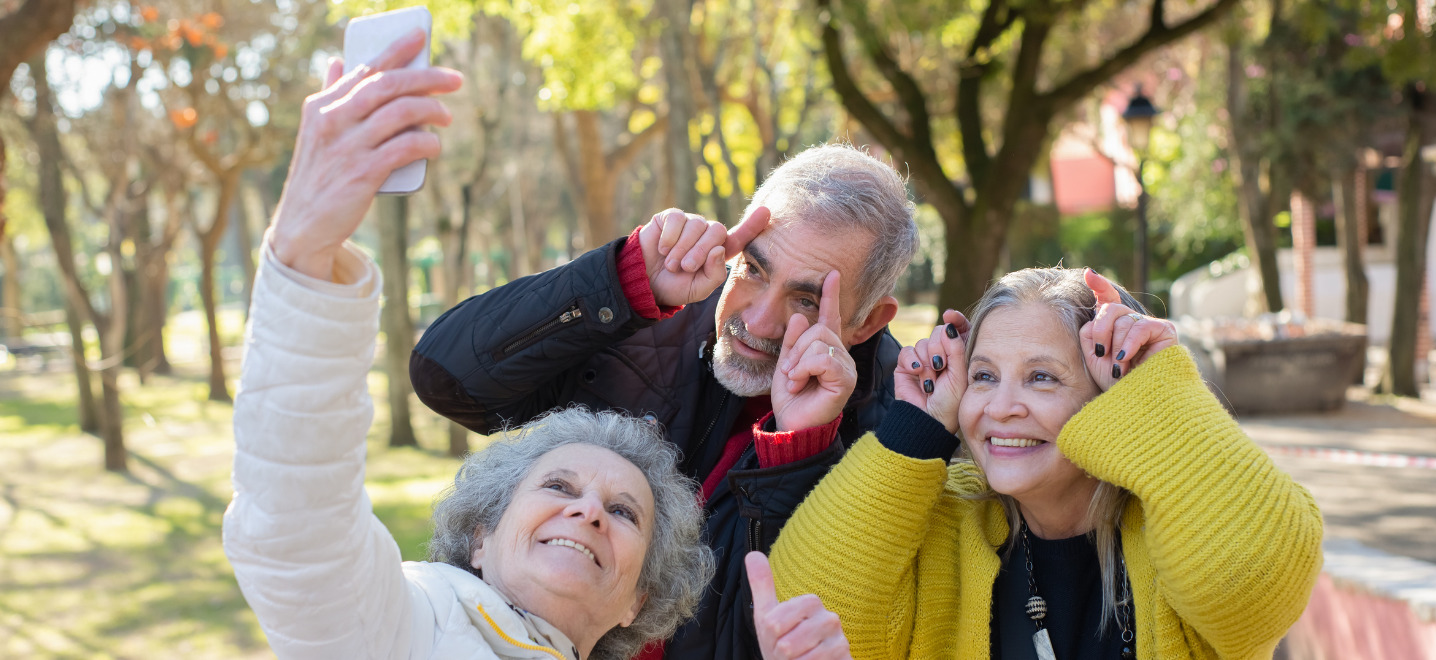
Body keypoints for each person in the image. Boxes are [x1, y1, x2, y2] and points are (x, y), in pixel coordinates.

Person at [223, 30, 854, 660]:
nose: (589, 513)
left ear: (640, 602)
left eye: (625, 513)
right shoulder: (402, 624)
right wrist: (304, 255)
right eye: (557, 486)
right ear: (479, 536)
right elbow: (294, 529)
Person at [411, 136, 918, 657]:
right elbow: (447, 380)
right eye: (754, 269)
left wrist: (797, 450)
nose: (758, 320)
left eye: (806, 299)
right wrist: (622, 281)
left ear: (868, 322)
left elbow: (762, 634)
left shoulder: (897, 439)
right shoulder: (649, 312)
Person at [768, 267, 1325, 660]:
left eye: (1042, 377)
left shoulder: (1178, 526)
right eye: (983, 376)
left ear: (1111, 393)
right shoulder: (943, 517)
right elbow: (809, 604)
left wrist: (1161, 392)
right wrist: (914, 431)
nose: (1002, 408)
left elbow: (1251, 582)